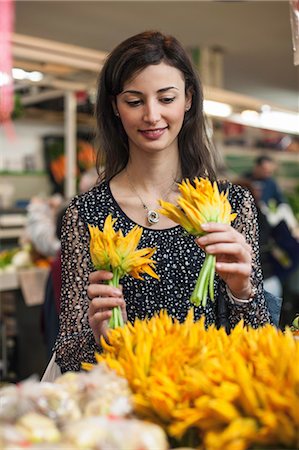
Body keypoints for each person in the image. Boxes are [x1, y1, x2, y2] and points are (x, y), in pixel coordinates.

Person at [54, 31, 271, 373]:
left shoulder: (231, 205)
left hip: (210, 401)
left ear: (188, 99)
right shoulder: (86, 214)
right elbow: (68, 354)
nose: (152, 116)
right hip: (127, 411)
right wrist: (100, 339)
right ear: (115, 106)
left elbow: (261, 342)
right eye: (135, 101)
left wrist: (243, 291)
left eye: (166, 98)